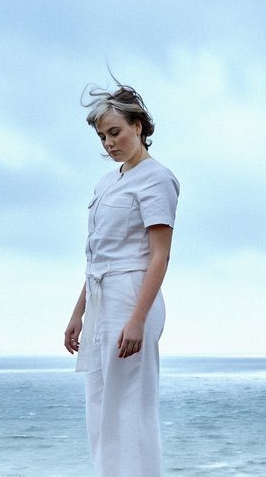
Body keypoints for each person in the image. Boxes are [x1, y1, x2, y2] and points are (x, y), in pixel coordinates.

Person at [64, 79, 180, 477]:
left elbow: (160, 255)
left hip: (133, 295)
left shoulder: (157, 179)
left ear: (138, 126)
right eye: (102, 136)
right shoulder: (106, 182)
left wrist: (138, 319)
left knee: (131, 407)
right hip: (101, 297)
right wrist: (78, 313)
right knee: (100, 407)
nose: (109, 143)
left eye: (115, 132)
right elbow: (99, 254)